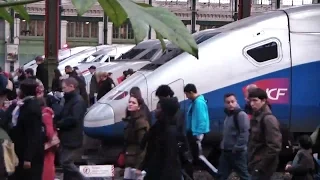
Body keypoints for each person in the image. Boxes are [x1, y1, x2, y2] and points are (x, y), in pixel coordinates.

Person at [8, 78, 45, 180]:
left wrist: (28, 157)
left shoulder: (31, 108)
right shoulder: (25, 104)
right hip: (21, 150)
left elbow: (34, 134)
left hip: (28, 154)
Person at [141, 98, 185, 180]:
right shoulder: (158, 128)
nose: (155, 110)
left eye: (158, 108)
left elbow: (167, 160)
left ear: (165, 111)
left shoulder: (168, 132)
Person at [55, 77, 87, 180]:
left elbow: (73, 119)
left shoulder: (77, 101)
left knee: (65, 162)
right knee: (65, 163)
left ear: (71, 86)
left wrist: (59, 124)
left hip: (72, 136)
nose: (62, 90)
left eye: (64, 88)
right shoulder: (69, 99)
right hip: (67, 136)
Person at [184, 83, 218, 178]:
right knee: (197, 156)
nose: (186, 97)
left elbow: (201, 119)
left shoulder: (198, 103)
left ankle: (216, 173)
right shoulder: (195, 102)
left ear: (191, 92)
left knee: (200, 157)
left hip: (198, 133)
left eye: (186, 94)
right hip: (194, 132)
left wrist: (199, 134)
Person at [247, 88, 282, 180]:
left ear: (263, 101)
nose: (252, 104)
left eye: (255, 100)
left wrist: (261, 166)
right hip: (255, 162)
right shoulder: (256, 116)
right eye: (250, 101)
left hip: (262, 165)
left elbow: (274, 146)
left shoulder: (268, 119)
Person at [218, 93, 250, 180]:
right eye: (228, 102)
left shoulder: (241, 115)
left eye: (232, 101)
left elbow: (245, 133)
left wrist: (237, 148)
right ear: (225, 104)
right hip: (226, 151)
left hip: (237, 153)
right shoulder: (228, 115)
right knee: (221, 175)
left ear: (236, 101)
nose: (230, 104)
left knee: (244, 175)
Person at [122, 95, 150, 180]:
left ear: (139, 107)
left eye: (133, 103)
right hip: (129, 161)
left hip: (136, 162)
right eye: (129, 102)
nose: (130, 104)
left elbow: (144, 146)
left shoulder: (141, 123)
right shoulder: (131, 120)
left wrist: (139, 166)